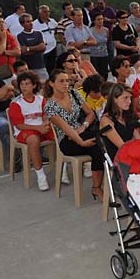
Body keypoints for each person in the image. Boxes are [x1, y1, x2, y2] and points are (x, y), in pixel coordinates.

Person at [44, 69, 105, 197]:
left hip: (82, 132)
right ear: (51, 83)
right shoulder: (50, 106)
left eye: (67, 81)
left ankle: (98, 186)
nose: (65, 84)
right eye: (61, 81)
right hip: (67, 140)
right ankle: (97, 187)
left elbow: (91, 114)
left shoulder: (74, 93)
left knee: (100, 144)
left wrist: (84, 126)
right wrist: (81, 142)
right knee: (99, 147)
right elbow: (65, 128)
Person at [8, 71, 55, 191]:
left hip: (41, 128)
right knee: (33, 140)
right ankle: (41, 176)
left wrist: (45, 123)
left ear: (34, 85)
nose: (24, 87)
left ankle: (63, 169)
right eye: (22, 84)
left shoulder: (40, 99)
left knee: (61, 133)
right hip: (25, 131)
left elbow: (45, 115)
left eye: (27, 84)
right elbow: (19, 125)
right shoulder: (16, 103)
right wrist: (38, 128)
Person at [99, 83, 140, 160]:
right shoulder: (106, 120)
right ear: (115, 99)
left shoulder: (127, 118)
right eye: (125, 98)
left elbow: (139, 141)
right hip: (117, 160)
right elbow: (121, 146)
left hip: (129, 157)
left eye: (130, 98)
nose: (129, 101)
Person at [16, 13, 48, 82]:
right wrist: (37, 49)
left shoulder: (39, 34)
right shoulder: (20, 36)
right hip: (28, 67)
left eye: (31, 21)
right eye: (28, 21)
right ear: (22, 24)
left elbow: (43, 47)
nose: (31, 23)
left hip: (40, 65)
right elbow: (24, 51)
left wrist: (29, 48)